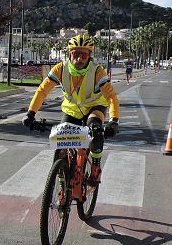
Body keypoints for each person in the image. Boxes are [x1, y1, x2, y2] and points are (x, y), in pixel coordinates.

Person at [23, 34, 120, 185]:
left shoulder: (97, 71)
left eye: (83, 54)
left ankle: (95, 166)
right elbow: (42, 91)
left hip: (94, 107)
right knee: (60, 149)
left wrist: (114, 120)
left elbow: (111, 96)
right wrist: (31, 113)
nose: (79, 59)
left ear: (89, 55)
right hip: (71, 110)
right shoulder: (60, 69)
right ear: (70, 54)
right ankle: (62, 186)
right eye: (75, 54)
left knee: (95, 130)